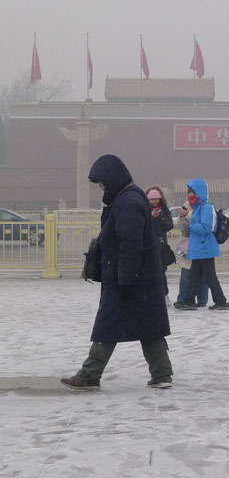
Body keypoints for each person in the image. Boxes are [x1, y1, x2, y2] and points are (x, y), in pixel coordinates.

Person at [61, 154, 173, 390]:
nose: (101, 188)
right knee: (149, 324)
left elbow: (129, 244)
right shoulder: (128, 198)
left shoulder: (127, 203)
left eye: (102, 183)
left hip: (129, 276)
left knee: (108, 324)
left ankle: (90, 373)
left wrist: (126, 277)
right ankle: (162, 374)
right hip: (139, 277)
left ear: (112, 179)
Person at [176, 178, 229, 311]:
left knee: (210, 277)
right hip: (198, 248)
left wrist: (192, 225)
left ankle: (221, 301)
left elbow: (206, 228)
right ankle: (189, 301)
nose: (190, 195)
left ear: (199, 193)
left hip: (205, 247)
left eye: (192, 192)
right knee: (194, 276)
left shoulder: (206, 207)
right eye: (189, 192)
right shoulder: (197, 207)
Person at [173, 200, 209, 309]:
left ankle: (202, 299)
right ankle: (183, 298)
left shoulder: (205, 207)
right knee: (186, 273)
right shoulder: (186, 205)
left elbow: (204, 226)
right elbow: (182, 226)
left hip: (202, 244)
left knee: (202, 273)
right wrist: (181, 217)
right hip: (187, 244)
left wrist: (188, 216)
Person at [145, 186, 174, 298]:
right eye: (151, 199)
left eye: (156, 199)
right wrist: (150, 217)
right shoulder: (144, 210)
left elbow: (168, 226)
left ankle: (164, 295)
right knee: (148, 272)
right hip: (148, 245)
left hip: (161, 245)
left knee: (161, 271)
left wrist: (160, 216)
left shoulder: (165, 210)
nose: (154, 201)